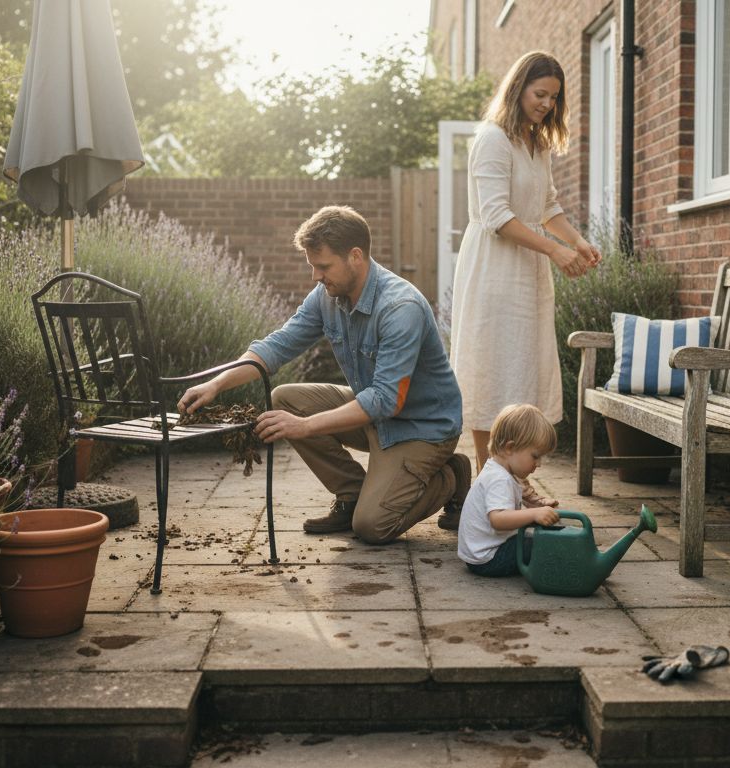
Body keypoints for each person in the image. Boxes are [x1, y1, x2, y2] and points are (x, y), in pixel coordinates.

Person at [177, 206, 473, 544]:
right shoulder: (328, 295)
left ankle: (450, 474)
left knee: (372, 527)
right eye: (313, 267)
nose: (316, 277)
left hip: (422, 427)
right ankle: (352, 494)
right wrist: (216, 384)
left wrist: (303, 427)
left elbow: (386, 399)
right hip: (375, 416)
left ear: (356, 257)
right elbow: (278, 345)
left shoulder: (400, 308)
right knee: (286, 400)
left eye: (323, 266)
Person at [450, 51, 601, 474]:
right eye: (540, 94)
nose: (546, 105)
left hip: (529, 272)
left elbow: (547, 206)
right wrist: (554, 250)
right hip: (494, 269)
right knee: (492, 369)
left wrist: (577, 241)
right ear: (518, 89)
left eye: (553, 98)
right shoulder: (492, 139)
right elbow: (497, 216)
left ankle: (509, 475)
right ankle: (488, 478)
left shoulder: (536, 144)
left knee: (521, 369)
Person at [457, 404, 562, 577]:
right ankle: (570, 569)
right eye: (535, 456)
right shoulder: (500, 479)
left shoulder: (496, 470)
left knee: (540, 538)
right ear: (510, 448)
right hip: (490, 558)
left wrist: (534, 508)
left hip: (480, 553)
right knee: (548, 545)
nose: (539, 463)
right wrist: (534, 515)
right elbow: (498, 519)